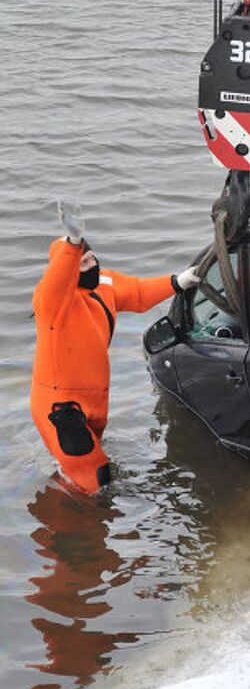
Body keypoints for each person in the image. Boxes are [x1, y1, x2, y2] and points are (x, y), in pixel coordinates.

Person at [31, 202, 200, 493]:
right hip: (60, 408)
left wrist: (178, 282)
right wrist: (73, 244)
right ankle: (78, 524)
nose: (92, 266)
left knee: (93, 465)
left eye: (92, 259)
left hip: (95, 400)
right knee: (93, 479)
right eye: (83, 263)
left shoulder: (103, 286)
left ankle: (67, 496)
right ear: (69, 268)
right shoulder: (53, 303)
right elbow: (56, 280)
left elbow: (138, 292)